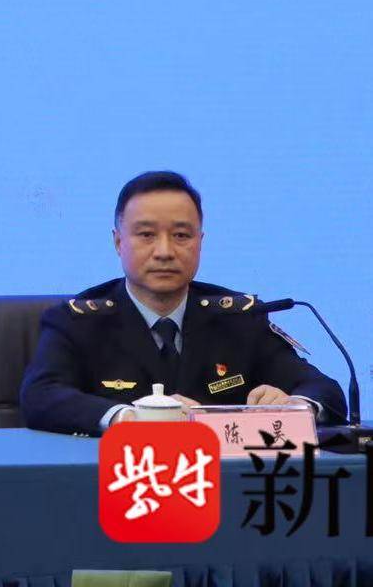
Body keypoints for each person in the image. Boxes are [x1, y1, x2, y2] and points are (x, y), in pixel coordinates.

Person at [20, 170, 345, 435]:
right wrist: (129, 418)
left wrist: (295, 408)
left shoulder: (238, 320)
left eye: (181, 236)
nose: (164, 252)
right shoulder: (79, 322)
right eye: (146, 235)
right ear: (118, 242)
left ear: (199, 242)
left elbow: (324, 390)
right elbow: (40, 395)